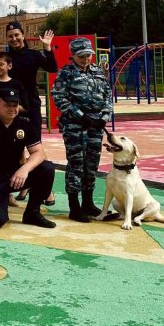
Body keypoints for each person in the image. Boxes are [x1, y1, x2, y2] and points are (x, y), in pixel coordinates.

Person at [0, 88, 56, 229]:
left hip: (14, 176)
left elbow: (39, 153)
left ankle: (33, 213)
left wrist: (25, 169)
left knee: (46, 168)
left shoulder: (24, 124)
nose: (12, 109)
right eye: (7, 105)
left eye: (15, 105)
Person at [51, 37, 113, 223]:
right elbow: (59, 97)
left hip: (95, 126)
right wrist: (80, 115)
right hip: (74, 126)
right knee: (76, 164)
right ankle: (74, 207)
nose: (86, 59)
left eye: (88, 55)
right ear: (73, 56)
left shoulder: (98, 72)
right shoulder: (66, 73)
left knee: (92, 164)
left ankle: (88, 203)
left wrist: (103, 117)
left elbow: (108, 96)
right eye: (82, 56)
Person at [5, 22, 57, 136]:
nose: (14, 39)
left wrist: (48, 48)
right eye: (10, 36)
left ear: (23, 36)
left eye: (16, 35)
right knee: (12, 144)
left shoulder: (34, 54)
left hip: (31, 104)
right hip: (11, 104)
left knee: (35, 142)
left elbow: (52, 68)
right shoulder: (5, 57)